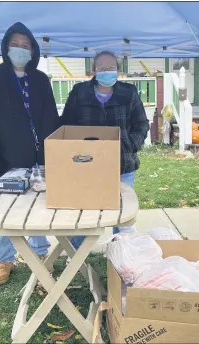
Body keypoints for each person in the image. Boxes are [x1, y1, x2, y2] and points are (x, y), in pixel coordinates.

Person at [0, 22, 60, 286]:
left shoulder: (40, 80)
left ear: (33, 50)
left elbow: (50, 119)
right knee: (1, 213)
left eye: (26, 45)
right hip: (4, 159)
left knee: (40, 209)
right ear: (5, 47)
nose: (21, 49)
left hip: (38, 158)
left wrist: (52, 155)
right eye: (16, 45)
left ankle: (41, 254)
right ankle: (4, 258)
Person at [61, 51, 150, 249]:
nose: (106, 71)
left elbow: (142, 124)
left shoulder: (128, 93)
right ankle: (75, 253)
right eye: (101, 68)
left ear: (118, 70)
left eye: (111, 68)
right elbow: (67, 124)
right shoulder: (79, 92)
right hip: (86, 164)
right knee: (82, 210)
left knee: (121, 213)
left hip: (122, 164)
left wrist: (130, 145)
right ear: (93, 70)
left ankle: (121, 252)